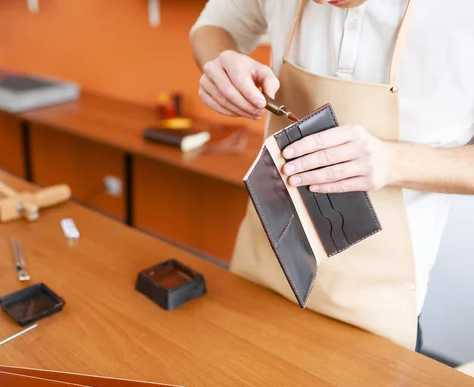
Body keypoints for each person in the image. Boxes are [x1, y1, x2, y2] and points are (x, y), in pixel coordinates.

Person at [189, 0, 474, 352]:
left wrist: (391, 161)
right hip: (259, 279)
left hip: (373, 322)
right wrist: (219, 63)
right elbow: (211, 27)